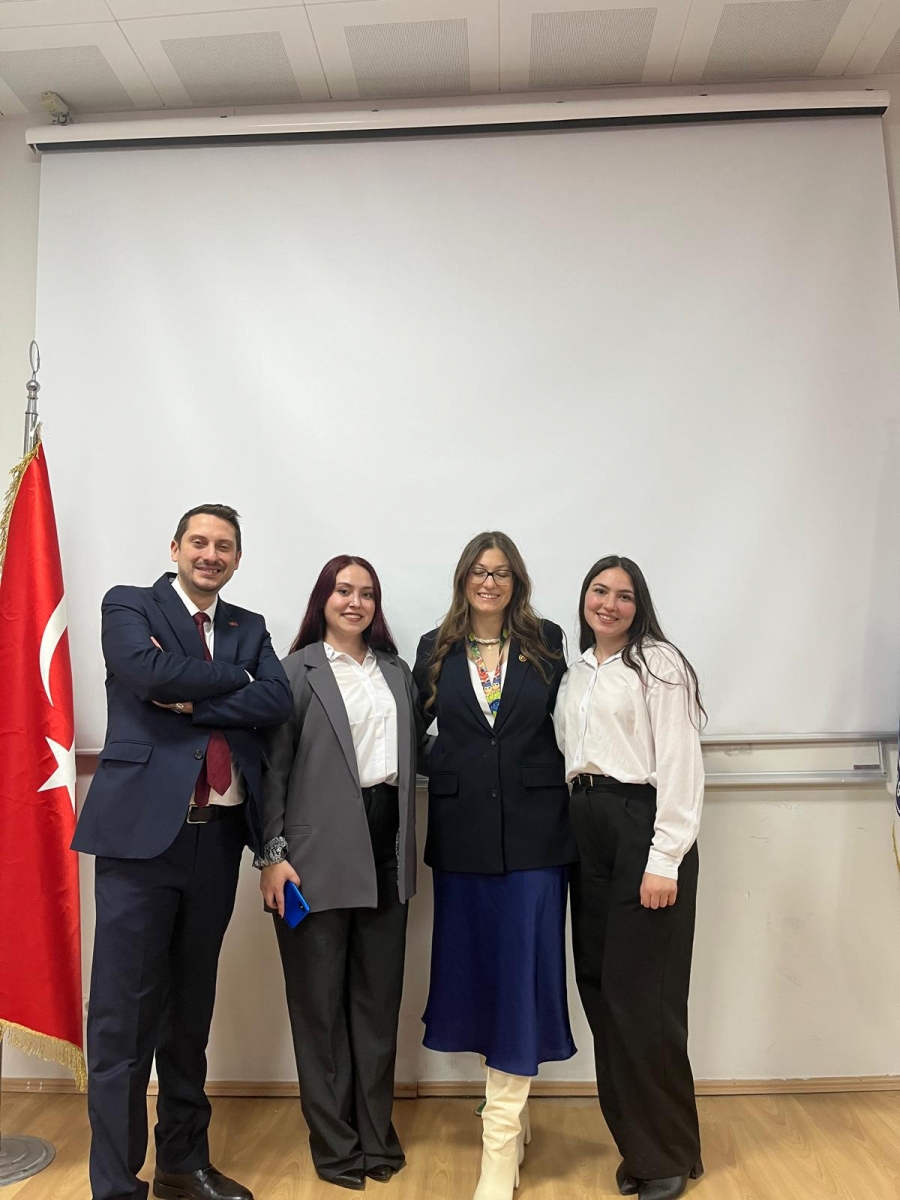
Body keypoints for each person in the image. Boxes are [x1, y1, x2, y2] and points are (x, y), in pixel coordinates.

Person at [72, 504, 292, 1200]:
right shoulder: (128, 605)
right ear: (175, 548)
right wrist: (234, 681)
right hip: (141, 839)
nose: (210, 554)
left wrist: (194, 700)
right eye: (199, 541)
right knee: (123, 1016)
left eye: (224, 546)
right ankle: (115, 1183)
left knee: (190, 1012)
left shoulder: (249, 626)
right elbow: (143, 672)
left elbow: (277, 699)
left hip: (218, 837)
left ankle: (181, 1163)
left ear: (237, 558)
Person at [413, 531, 577, 1200]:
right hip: (463, 841)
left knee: (522, 977)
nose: (490, 582)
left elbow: (568, 724)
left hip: (537, 840)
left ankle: (499, 1145)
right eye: (479, 571)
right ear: (463, 579)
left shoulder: (547, 641)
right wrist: (454, 768)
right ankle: (512, 1109)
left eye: (502, 572)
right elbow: (409, 732)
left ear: (517, 582)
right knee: (482, 975)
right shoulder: (435, 647)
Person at [257, 556, 427, 1192]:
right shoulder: (294, 671)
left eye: (367, 593)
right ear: (322, 599)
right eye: (343, 590)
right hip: (312, 860)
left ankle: (376, 1138)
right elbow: (269, 770)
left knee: (377, 1006)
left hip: (388, 851)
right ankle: (335, 1148)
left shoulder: (396, 672)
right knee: (320, 1010)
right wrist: (272, 855)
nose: (355, 602)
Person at [553, 555, 706, 1200]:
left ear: (639, 605)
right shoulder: (575, 672)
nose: (609, 604)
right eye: (599, 591)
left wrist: (664, 858)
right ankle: (646, 1146)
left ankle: (665, 1155)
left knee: (643, 998)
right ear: (584, 599)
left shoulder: (659, 664)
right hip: (584, 826)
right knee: (601, 989)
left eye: (623, 595)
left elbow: (680, 762)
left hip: (641, 825)